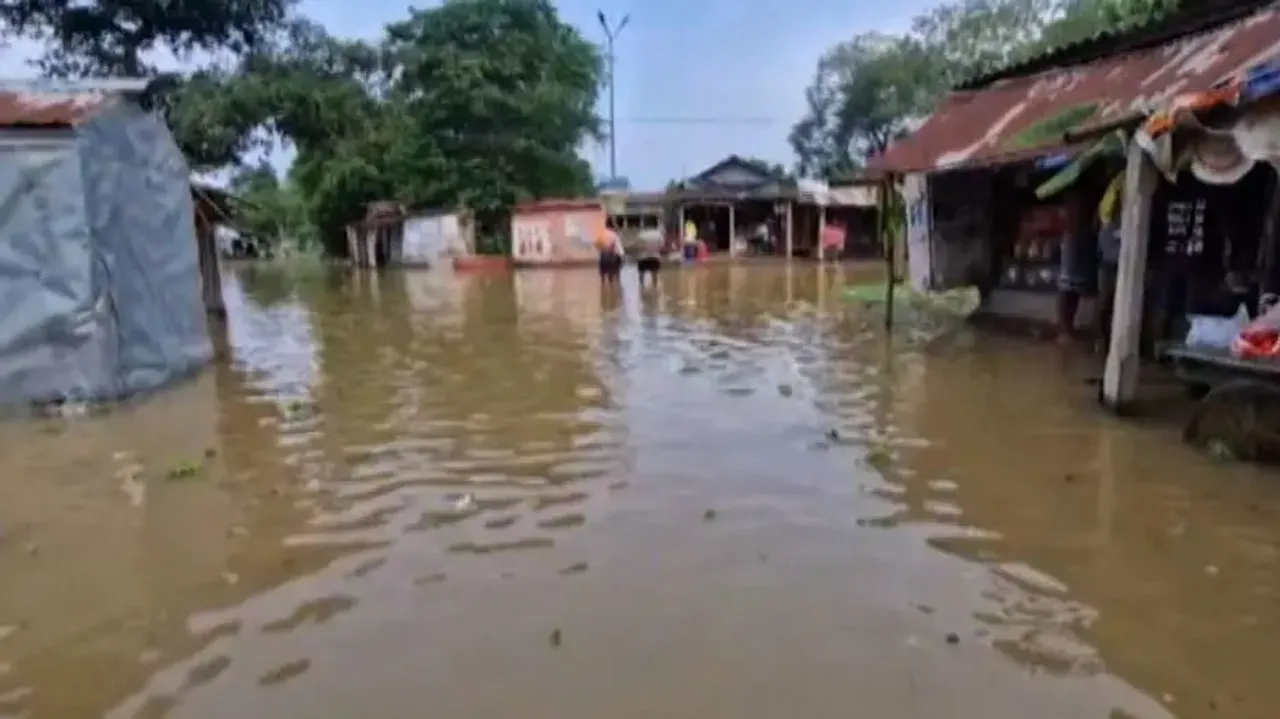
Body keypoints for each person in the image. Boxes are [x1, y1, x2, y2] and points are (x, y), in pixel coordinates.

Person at [1095, 169, 1123, 351]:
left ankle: (1107, 343)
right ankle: (1102, 342)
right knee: (1105, 304)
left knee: (1110, 305)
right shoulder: (1108, 224)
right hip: (1110, 263)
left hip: (1121, 263)